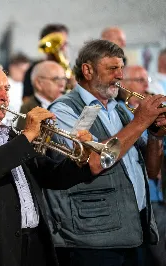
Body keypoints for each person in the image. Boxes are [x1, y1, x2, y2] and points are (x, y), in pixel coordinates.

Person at [0, 61, 111, 266]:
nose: (4, 96)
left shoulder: (13, 136)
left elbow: (51, 176)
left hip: (36, 245)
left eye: (6, 88)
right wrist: (28, 135)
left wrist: (80, 158)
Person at [46, 39, 166, 266]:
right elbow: (93, 162)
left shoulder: (119, 110)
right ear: (88, 70)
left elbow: (151, 171)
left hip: (132, 231)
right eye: (112, 68)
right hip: (92, 239)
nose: (120, 75)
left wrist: (156, 134)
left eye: (121, 68)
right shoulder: (62, 110)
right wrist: (140, 122)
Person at [119, 65, 166, 266]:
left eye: (146, 79)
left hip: (159, 190)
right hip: (145, 195)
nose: (146, 84)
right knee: (155, 255)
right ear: (124, 84)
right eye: (139, 80)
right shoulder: (121, 112)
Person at [23, 24, 69, 101]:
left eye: (65, 44)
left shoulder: (68, 69)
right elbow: (26, 100)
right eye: (57, 42)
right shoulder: (34, 69)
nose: (63, 48)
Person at [17, 61, 66, 129]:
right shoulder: (28, 109)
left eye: (64, 79)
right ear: (39, 83)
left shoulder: (67, 104)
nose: (62, 84)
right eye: (56, 79)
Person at [3, 54, 30, 125]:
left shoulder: (27, 86)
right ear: (12, 68)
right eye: (23, 71)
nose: (26, 75)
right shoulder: (3, 84)